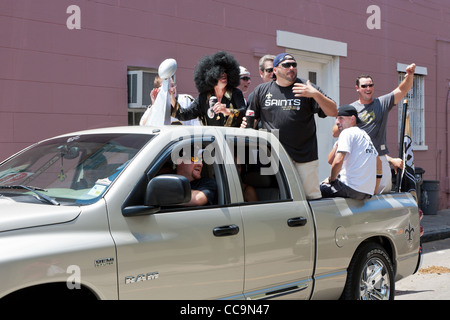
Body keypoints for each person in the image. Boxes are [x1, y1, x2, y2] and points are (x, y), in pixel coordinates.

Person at [241, 53, 337, 199]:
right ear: (275, 70)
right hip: (273, 157)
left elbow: (333, 111)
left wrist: (315, 94)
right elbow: (251, 119)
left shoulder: (306, 88)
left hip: (304, 157)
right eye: (286, 65)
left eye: (294, 64)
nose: (291, 68)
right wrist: (245, 127)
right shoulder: (262, 91)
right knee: (278, 198)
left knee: (311, 198)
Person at [351, 63, 416, 193]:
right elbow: (336, 132)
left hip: (380, 157)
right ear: (357, 88)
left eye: (370, 85)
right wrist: (348, 122)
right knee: (362, 194)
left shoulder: (381, 103)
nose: (368, 88)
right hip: (360, 159)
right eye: (364, 86)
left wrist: (409, 75)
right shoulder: (351, 109)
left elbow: (402, 90)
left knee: (383, 194)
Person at [172, 51, 246, 127]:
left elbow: (244, 111)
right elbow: (184, 115)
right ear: (211, 75)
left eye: (225, 71)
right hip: (212, 138)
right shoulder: (203, 97)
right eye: (220, 71)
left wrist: (228, 111)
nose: (224, 74)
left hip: (232, 138)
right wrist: (171, 96)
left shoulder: (235, 93)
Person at [320, 105, 378, 200]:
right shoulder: (364, 135)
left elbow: (337, 161)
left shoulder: (348, 133)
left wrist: (332, 180)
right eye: (336, 118)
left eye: (341, 118)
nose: (337, 122)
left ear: (352, 119)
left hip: (350, 189)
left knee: (313, 193)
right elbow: (330, 160)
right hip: (366, 192)